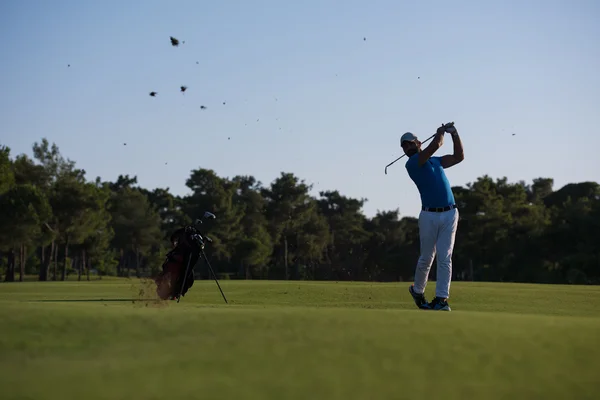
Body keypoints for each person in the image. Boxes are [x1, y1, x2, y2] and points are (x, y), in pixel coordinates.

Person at [401, 122, 464, 311]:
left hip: (450, 213)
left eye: (410, 143)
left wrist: (454, 134)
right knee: (427, 258)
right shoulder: (412, 163)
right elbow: (436, 144)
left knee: (445, 258)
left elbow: (459, 157)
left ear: (418, 143)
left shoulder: (435, 161)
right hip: (429, 215)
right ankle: (418, 291)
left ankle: (441, 300)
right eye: (404, 146)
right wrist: (440, 133)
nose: (407, 148)